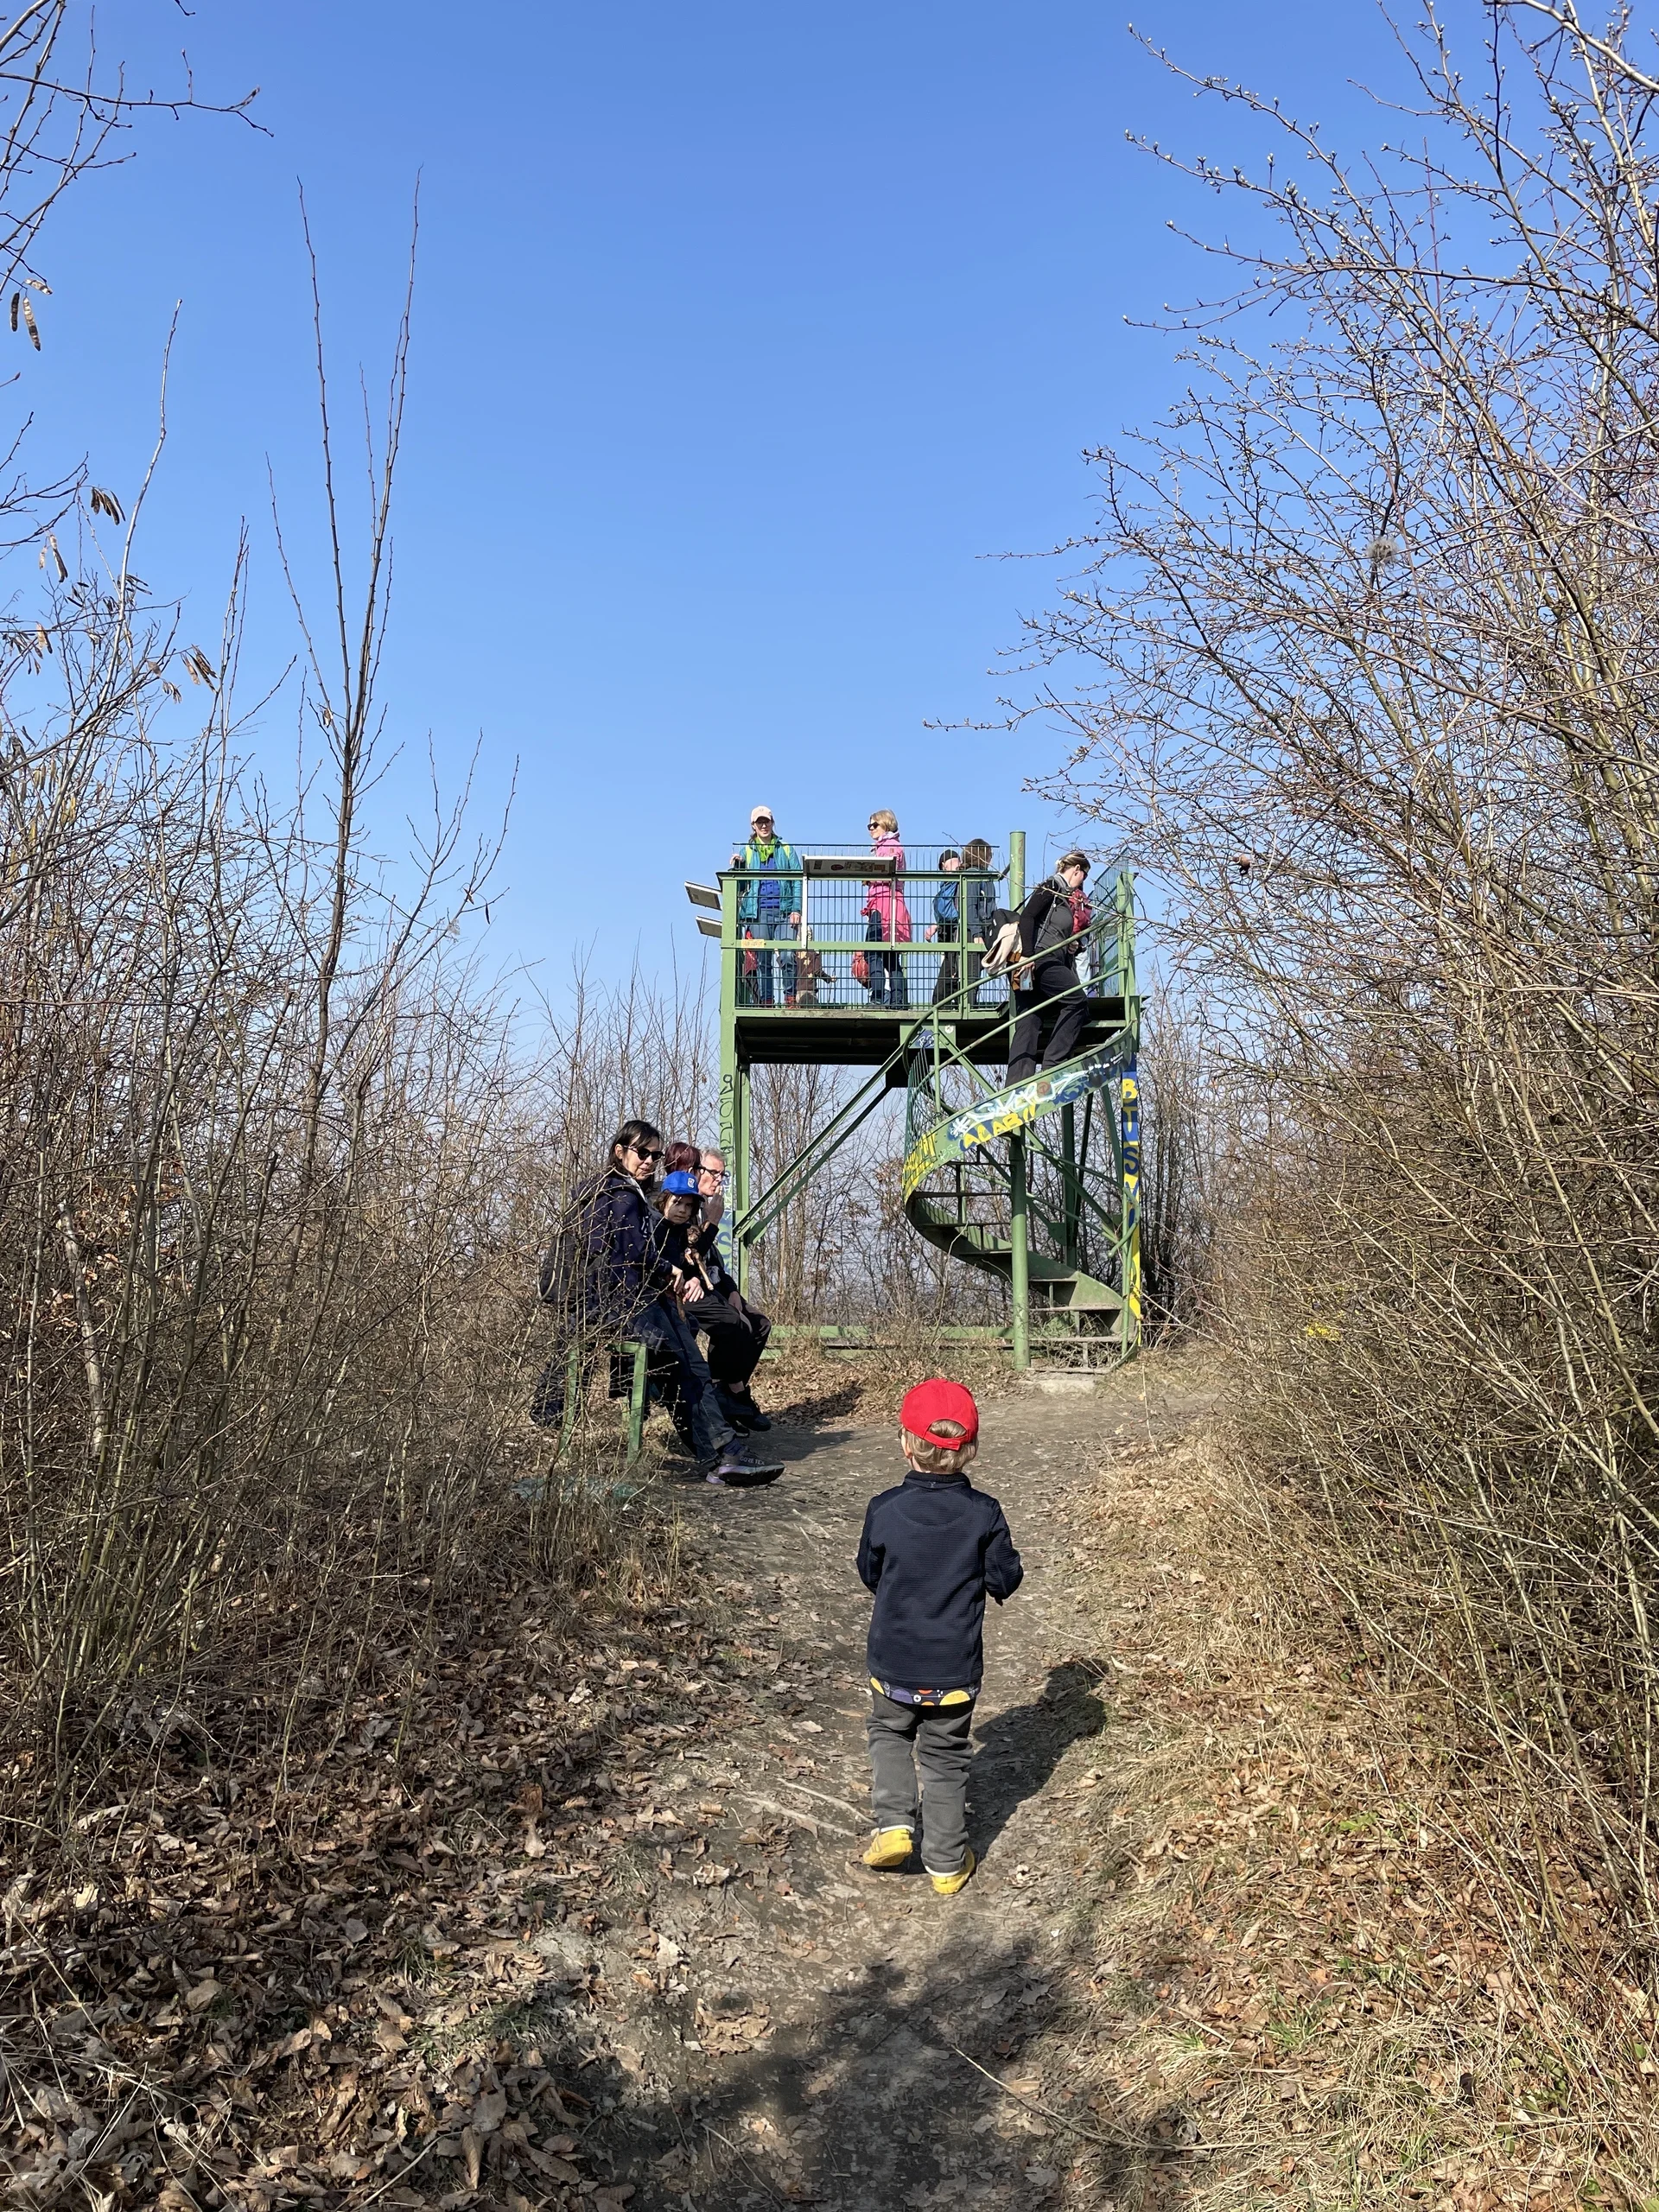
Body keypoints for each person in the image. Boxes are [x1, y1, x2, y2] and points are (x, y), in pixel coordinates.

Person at [533, 1121, 783, 1488]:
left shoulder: (595, 1190)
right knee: (688, 1363)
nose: (650, 1161)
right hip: (624, 1305)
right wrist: (671, 1271)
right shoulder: (623, 1195)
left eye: (656, 1155)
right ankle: (724, 1453)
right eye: (642, 1153)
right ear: (620, 1152)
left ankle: (722, 1451)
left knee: (680, 1364)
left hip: (593, 1307)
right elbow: (629, 1255)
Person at [855, 1378, 1022, 1896]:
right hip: (953, 1667)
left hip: (895, 1659)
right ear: (969, 1449)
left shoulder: (884, 1509)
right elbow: (1004, 1580)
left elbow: (869, 1571)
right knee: (946, 1754)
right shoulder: (984, 1514)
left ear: (906, 1444)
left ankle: (895, 1825)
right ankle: (948, 1865)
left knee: (890, 1733)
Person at [658, 1145, 774, 1434]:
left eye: (724, 1175)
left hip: (707, 1286)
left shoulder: (701, 1209)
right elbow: (685, 1255)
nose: (718, 1180)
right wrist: (712, 1223)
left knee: (759, 1323)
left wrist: (732, 1289)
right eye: (711, 1172)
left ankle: (732, 1394)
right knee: (733, 1323)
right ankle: (729, 1395)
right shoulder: (682, 1208)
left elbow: (713, 1263)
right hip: (679, 1290)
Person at [1005, 849, 1093, 1084]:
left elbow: (1053, 929)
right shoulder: (1051, 888)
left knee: (1031, 1019)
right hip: (1041, 961)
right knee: (1077, 1001)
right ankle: (1053, 1064)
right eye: (1083, 876)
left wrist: (1070, 947)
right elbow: (1028, 917)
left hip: (1044, 960)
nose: (1082, 883)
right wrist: (1028, 956)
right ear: (1077, 870)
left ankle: (1016, 1085)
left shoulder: (1063, 896)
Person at [733, 807, 803, 1008]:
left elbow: (798, 880)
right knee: (763, 958)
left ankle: (790, 998)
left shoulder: (786, 849)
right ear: (753, 826)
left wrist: (796, 909)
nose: (764, 826)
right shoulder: (746, 851)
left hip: (784, 911)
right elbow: (742, 886)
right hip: (757, 913)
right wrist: (737, 868)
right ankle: (766, 1001)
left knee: (788, 954)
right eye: (759, 822)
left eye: (767, 822)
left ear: (773, 823)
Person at [861, 809, 912, 1009]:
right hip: (891, 904)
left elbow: (887, 871)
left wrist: (868, 876)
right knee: (891, 957)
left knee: (874, 953)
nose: (871, 829)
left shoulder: (890, 846)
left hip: (884, 906)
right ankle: (898, 999)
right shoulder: (890, 846)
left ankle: (879, 997)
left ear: (886, 824)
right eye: (869, 826)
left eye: (874, 825)